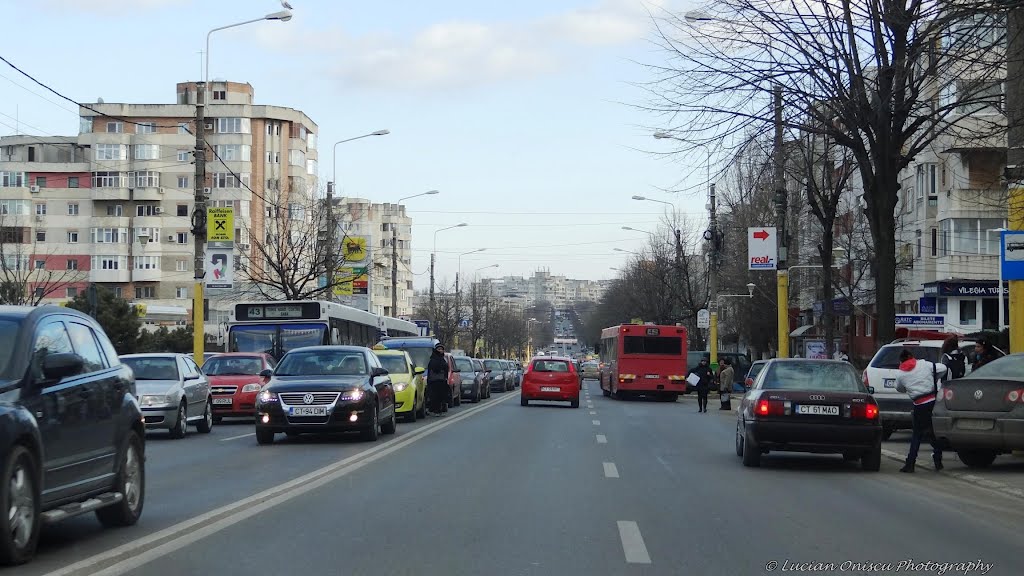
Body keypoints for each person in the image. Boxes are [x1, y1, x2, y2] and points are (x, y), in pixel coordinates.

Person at [895, 348, 947, 473]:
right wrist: (934, 377)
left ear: (901, 360)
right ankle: (938, 461)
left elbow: (899, 389)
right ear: (911, 356)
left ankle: (910, 463)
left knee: (917, 435)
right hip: (933, 402)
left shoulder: (900, 374)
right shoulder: (924, 364)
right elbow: (943, 368)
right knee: (933, 433)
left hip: (919, 405)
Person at [426, 343, 450, 416]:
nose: (440, 351)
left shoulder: (443, 358)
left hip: (442, 380)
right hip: (434, 381)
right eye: (439, 349)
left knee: (441, 396)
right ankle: (435, 410)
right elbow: (434, 368)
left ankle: (438, 410)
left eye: (442, 349)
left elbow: (446, 368)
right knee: (435, 396)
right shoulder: (433, 358)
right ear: (436, 350)